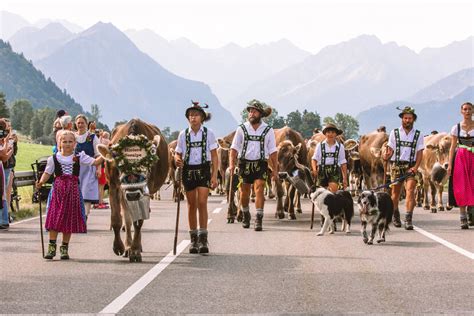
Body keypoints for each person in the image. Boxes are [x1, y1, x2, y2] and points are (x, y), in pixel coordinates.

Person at [36, 131, 103, 259]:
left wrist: (106, 155)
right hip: (58, 191)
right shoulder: (53, 158)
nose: (67, 144)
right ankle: (51, 247)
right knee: (55, 217)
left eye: (70, 141)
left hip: (72, 191)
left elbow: (95, 162)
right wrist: (40, 182)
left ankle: (64, 248)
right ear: (59, 143)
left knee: (68, 219)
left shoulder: (79, 157)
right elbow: (47, 173)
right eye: (64, 141)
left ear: (75, 143)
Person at [175, 101, 218, 254]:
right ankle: (193, 240)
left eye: (196, 115)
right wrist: (177, 158)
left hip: (203, 170)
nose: (193, 118)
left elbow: (214, 155)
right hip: (188, 171)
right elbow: (178, 152)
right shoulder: (183, 134)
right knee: (191, 204)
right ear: (188, 118)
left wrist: (214, 175)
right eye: (191, 115)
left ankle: (203, 238)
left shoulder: (209, 133)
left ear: (202, 118)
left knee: (202, 202)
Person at [229, 99, 278, 231]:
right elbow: (234, 148)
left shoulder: (268, 130)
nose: (251, 113)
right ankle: (245, 213)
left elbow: (273, 151)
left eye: (254, 111)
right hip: (244, 163)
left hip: (261, 163)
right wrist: (232, 164)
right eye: (250, 111)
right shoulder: (241, 128)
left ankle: (259, 218)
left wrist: (275, 170)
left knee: (259, 189)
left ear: (260, 114)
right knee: (244, 192)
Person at [383, 106, 424, 229]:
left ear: (413, 119)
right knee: (395, 193)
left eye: (410, 118)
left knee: (410, 191)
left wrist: (416, 167)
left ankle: (408, 219)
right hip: (396, 165)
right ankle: (395, 214)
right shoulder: (394, 133)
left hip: (411, 166)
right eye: (405, 118)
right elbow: (390, 150)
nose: (407, 120)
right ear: (402, 119)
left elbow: (420, 152)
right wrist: (387, 155)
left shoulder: (419, 134)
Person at [447, 102, 473, 229]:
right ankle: (462, 216)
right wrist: (450, 164)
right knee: (461, 186)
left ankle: (471, 212)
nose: (467, 111)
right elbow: (452, 147)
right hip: (461, 158)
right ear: (461, 112)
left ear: (473, 111)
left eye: (469, 109)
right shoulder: (456, 128)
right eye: (465, 109)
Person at [74, 115, 100, 220]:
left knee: (86, 193)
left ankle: (84, 215)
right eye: (78, 123)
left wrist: (98, 169)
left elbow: (98, 154)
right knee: (76, 192)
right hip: (75, 169)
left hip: (89, 168)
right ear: (75, 124)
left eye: (82, 123)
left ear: (86, 124)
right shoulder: (72, 136)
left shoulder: (92, 137)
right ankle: (77, 215)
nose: (80, 125)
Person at [311, 123, 348, 193]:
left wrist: (345, 178)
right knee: (321, 194)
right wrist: (314, 170)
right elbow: (314, 159)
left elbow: (343, 162)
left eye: (333, 132)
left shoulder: (340, 147)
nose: (330, 134)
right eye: (328, 132)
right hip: (322, 171)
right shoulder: (320, 145)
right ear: (325, 134)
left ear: (336, 134)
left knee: (333, 192)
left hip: (335, 171)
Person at [0, 119, 13, 230]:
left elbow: (4, 156)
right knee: (2, 193)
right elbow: (4, 155)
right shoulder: (6, 139)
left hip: (4, 167)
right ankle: (3, 219)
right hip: (3, 166)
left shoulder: (8, 139)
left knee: (2, 192)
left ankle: (3, 220)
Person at [95, 131, 110, 209]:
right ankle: (99, 202)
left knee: (100, 186)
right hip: (102, 167)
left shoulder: (100, 141)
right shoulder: (106, 142)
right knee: (101, 186)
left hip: (101, 166)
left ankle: (99, 201)